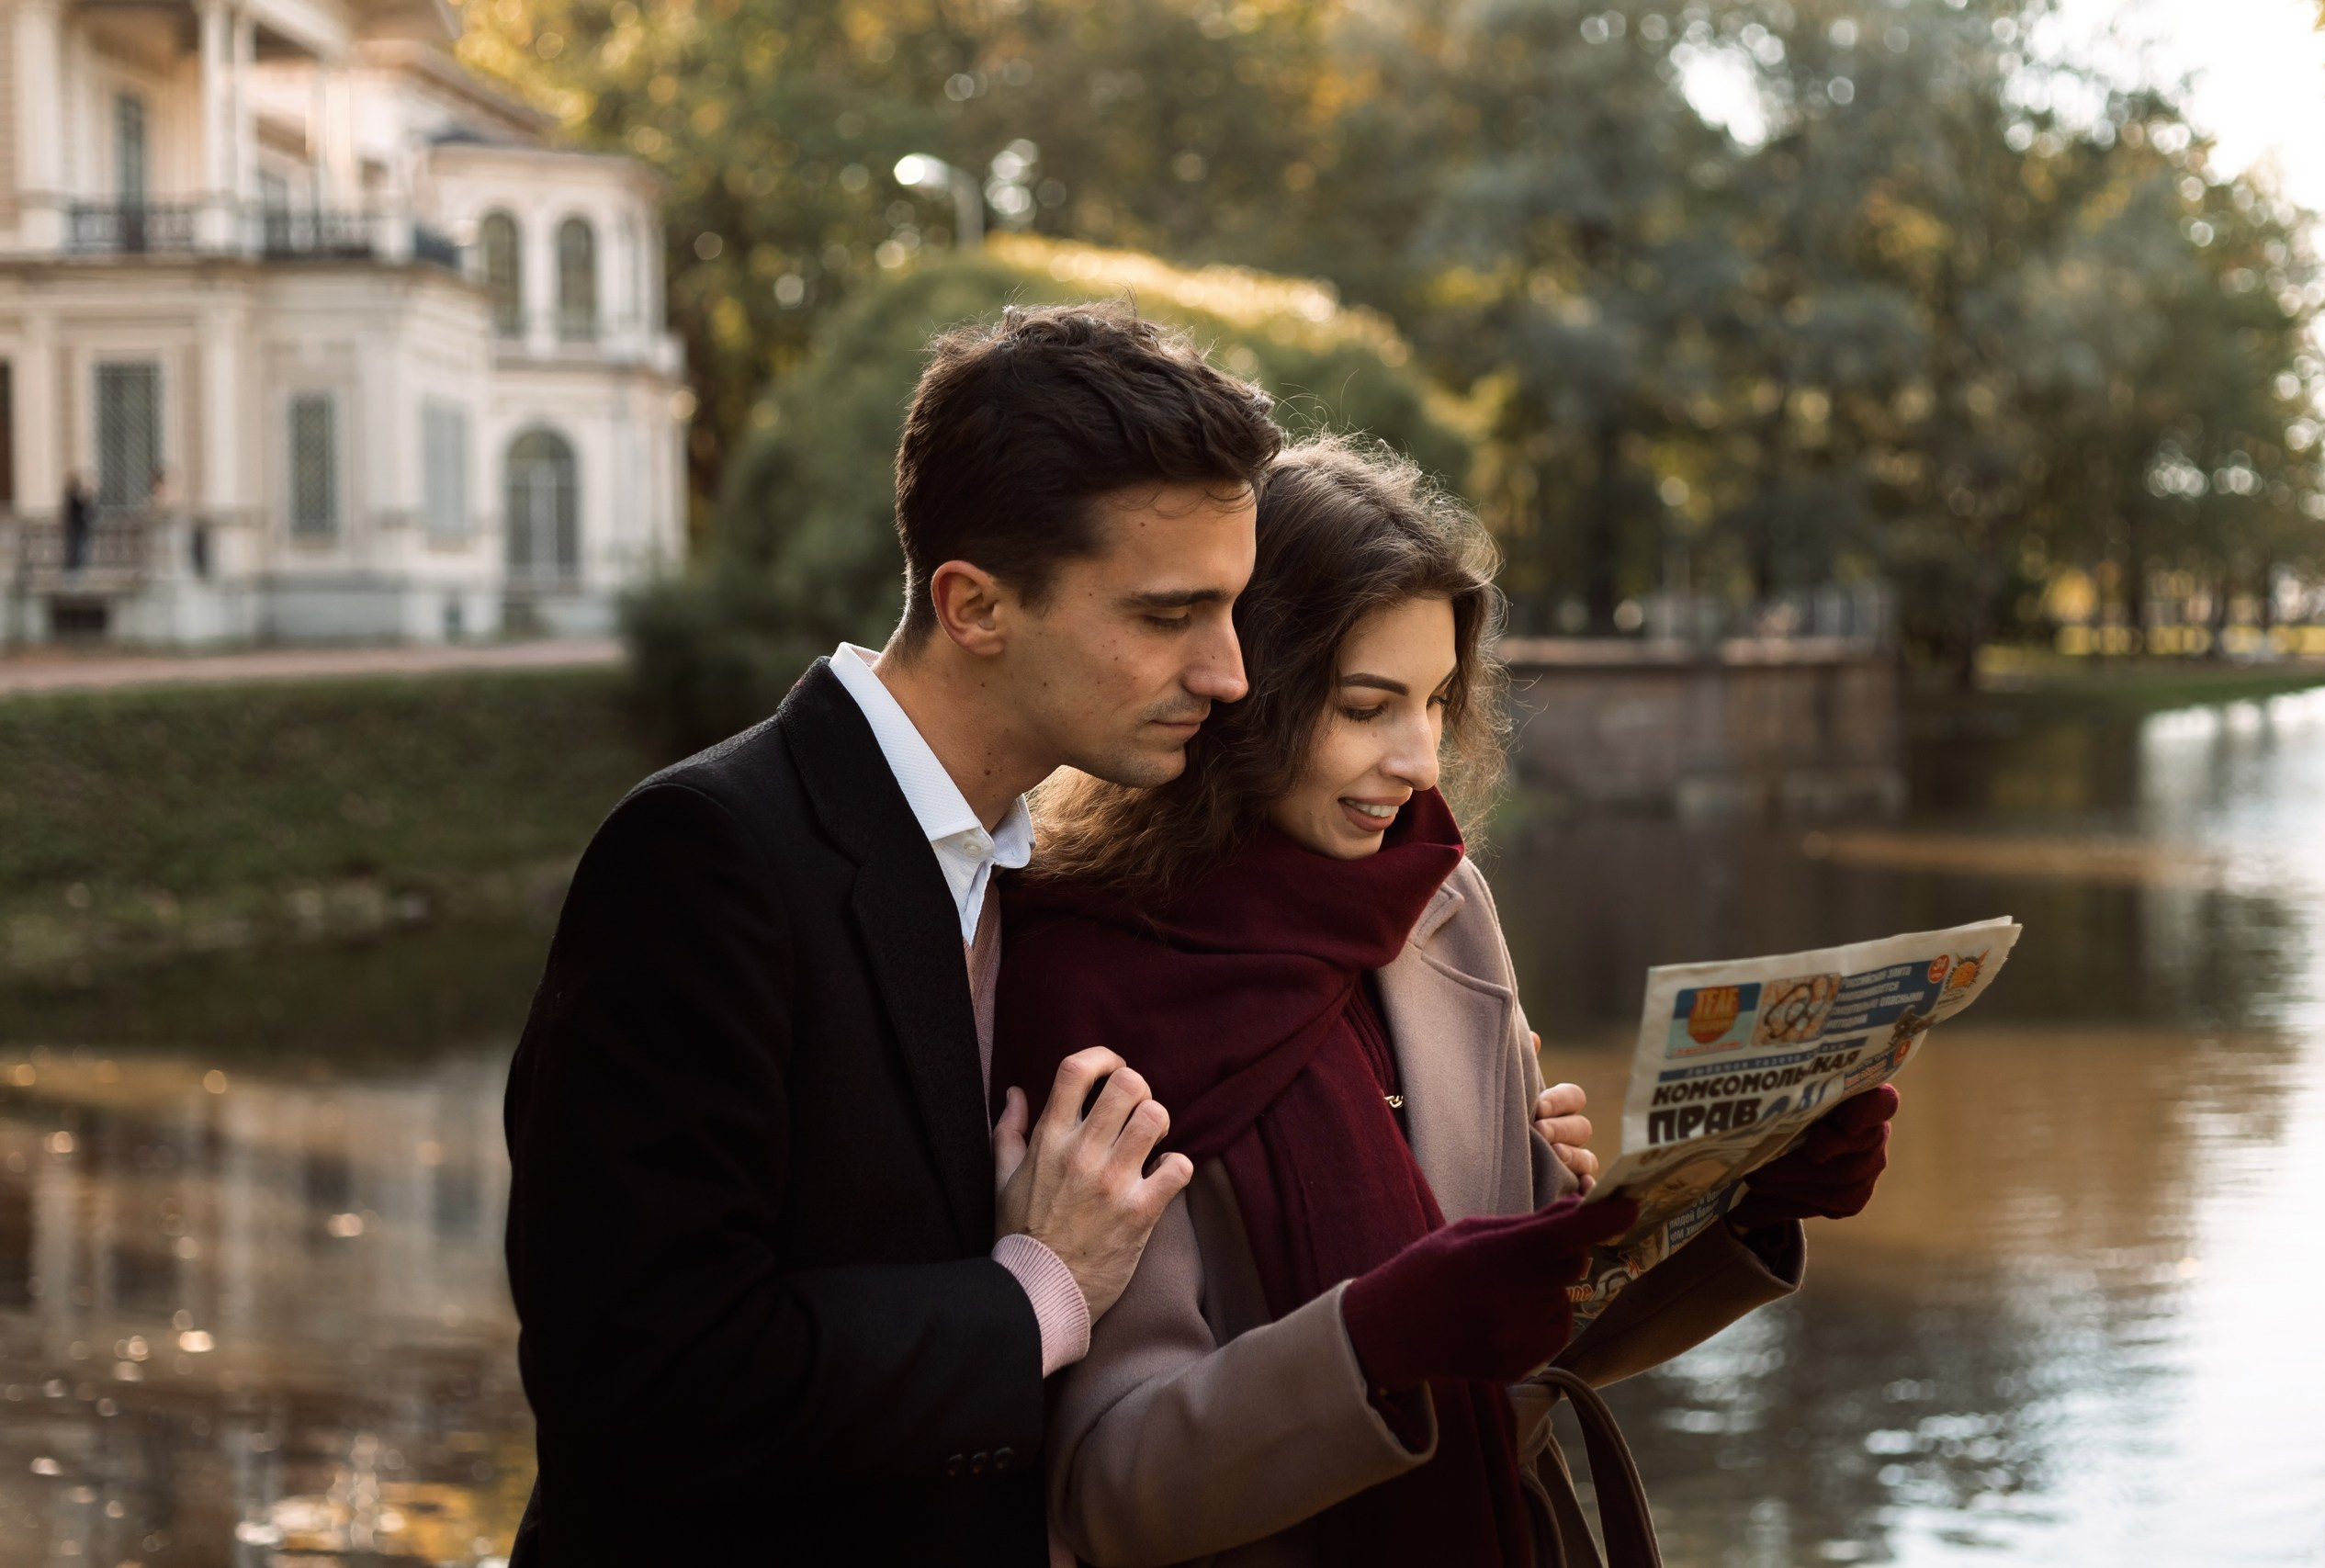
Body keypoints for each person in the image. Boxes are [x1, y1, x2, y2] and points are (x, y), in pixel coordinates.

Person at [996, 438, 1898, 1567]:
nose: (1421, 760)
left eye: (1433, 700)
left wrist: (1747, 1200)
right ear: (1242, 691)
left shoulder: (1434, 902)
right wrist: (1370, 1345)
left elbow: (1522, 1333)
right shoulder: (1088, 978)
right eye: (1368, 706)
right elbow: (1109, 1493)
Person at [502, 303, 1286, 1564]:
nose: (1228, 670)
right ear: (973, 605)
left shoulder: (1028, 868)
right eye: (1166, 614)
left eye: (1232, 607)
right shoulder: (704, 859)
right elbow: (642, 1387)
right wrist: (1033, 1289)